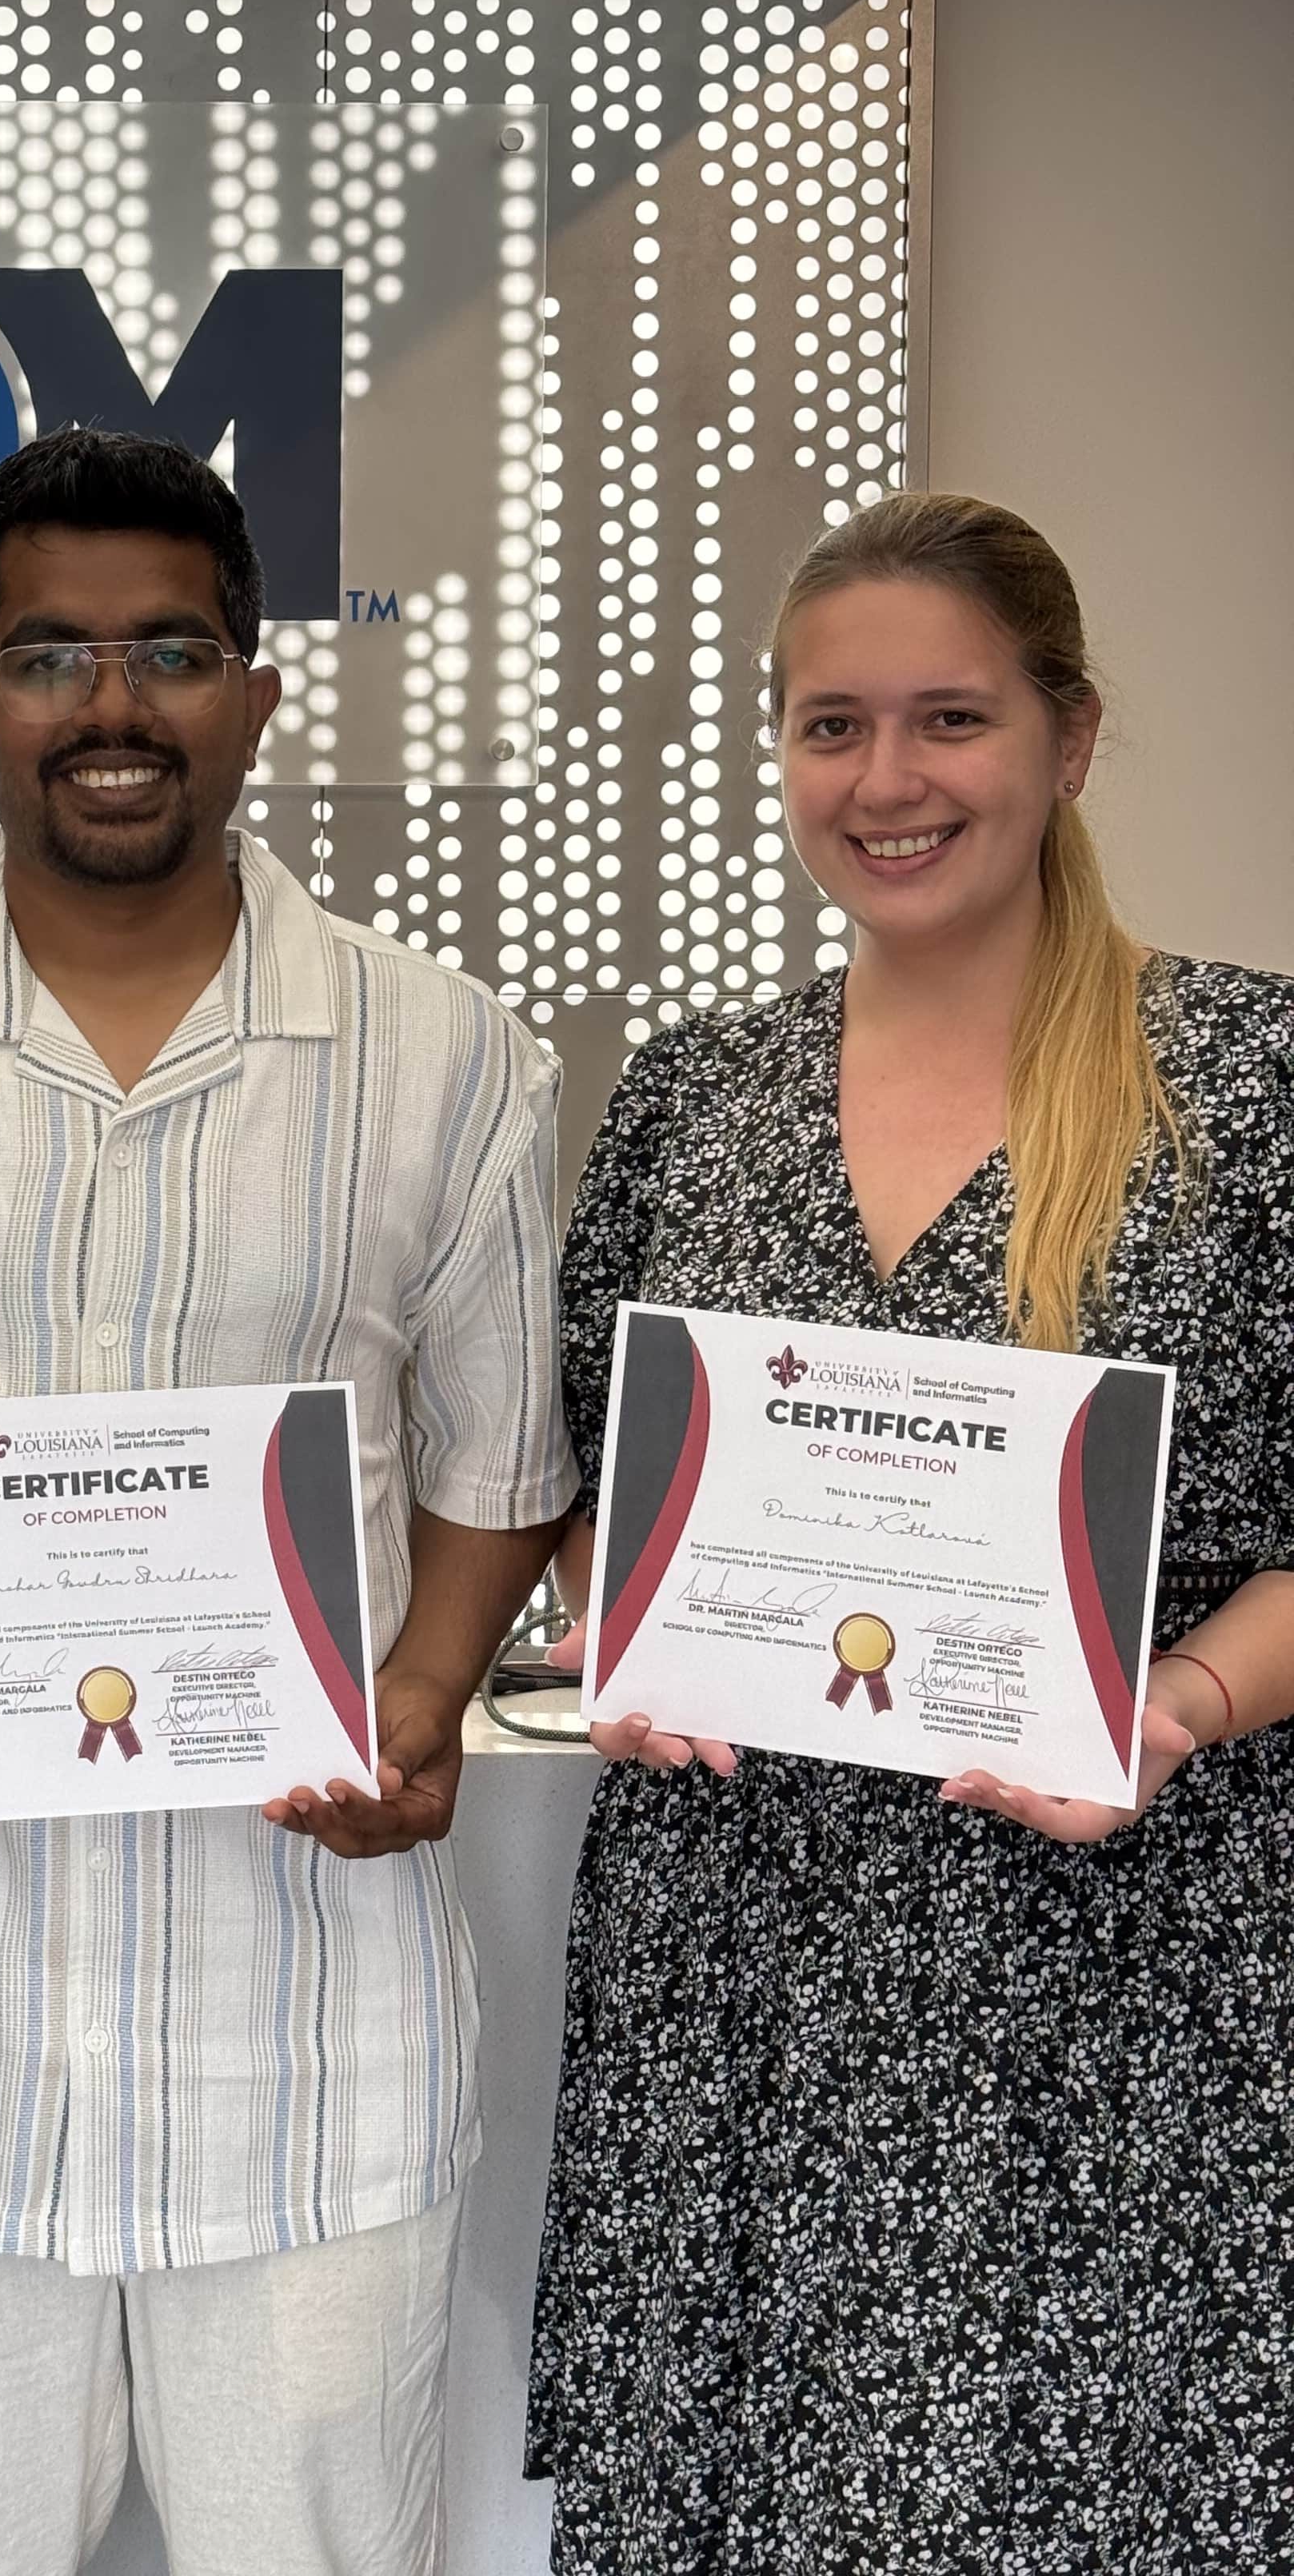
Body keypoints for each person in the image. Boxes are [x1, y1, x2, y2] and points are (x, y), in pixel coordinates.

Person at [0, 427, 573, 2576]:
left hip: (308, 2037)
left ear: (258, 690)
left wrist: (429, 1690)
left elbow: (499, 1460)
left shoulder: (450, 1059)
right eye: (49, 656)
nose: (113, 704)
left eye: (172, 650)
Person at [527, 493, 1294, 2571]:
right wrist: (630, 1637)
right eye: (831, 726)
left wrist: (1181, 1703)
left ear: (1071, 736)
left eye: (951, 718)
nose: (887, 781)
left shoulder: (1249, 1086)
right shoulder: (695, 1095)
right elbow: (593, 1473)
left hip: (1122, 1981)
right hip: (740, 1972)